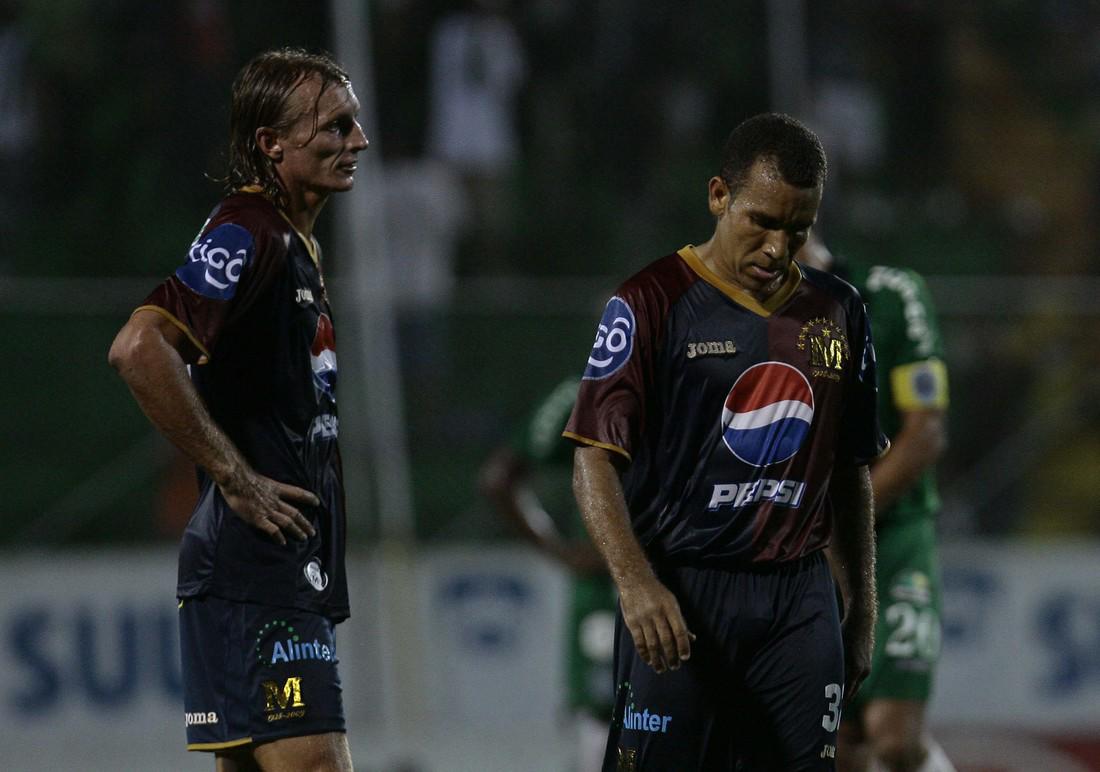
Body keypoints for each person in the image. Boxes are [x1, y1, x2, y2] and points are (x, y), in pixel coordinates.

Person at [564, 112, 888, 770]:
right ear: (719, 196)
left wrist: (861, 610)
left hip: (799, 600)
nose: (777, 248)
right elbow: (593, 459)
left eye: (797, 229)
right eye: (762, 222)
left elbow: (850, 467)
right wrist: (636, 584)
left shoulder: (838, 310)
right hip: (683, 592)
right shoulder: (650, 301)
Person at [108, 48, 367, 771]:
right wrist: (235, 475)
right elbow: (139, 347)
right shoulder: (249, 229)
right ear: (271, 143)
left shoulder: (290, 240)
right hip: (258, 567)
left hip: (268, 565)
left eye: (354, 122)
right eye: (336, 125)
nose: (358, 140)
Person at [801, 236, 955, 772]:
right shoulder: (749, 316)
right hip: (812, 551)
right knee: (841, 747)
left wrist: (843, 519)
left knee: (894, 738)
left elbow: (925, 433)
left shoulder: (891, 294)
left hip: (894, 537)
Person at [479, 376, 617, 772]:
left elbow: (498, 478)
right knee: (610, 725)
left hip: (647, 594)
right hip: (615, 597)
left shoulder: (597, 387)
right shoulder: (587, 391)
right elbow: (499, 478)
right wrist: (563, 553)